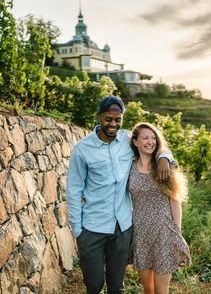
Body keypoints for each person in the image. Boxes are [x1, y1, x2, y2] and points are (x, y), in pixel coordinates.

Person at [67, 96, 174, 294]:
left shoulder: (127, 140)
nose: (113, 124)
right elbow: (74, 191)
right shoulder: (82, 149)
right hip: (92, 228)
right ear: (100, 117)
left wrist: (165, 158)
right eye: (109, 119)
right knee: (94, 284)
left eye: (118, 119)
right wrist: (77, 231)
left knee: (117, 287)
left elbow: (153, 144)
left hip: (122, 228)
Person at [128, 122, 191, 294]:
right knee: (148, 289)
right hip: (141, 232)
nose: (150, 142)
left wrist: (177, 233)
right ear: (135, 142)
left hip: (163, 232)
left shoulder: (163, 166)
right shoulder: (129, 166)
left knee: (161, 290)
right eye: (145, 138)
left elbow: (175, 201)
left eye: (153, 138)